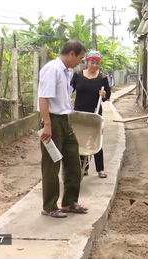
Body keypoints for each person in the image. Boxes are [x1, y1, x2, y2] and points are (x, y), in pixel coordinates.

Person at [38, 39, 89, 218]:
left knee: (73, 161)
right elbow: (43, 98)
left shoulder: (65, 71)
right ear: (72, 53)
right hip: (52, 120)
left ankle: (69, 201)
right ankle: (50, 206)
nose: (79, 63)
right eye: (80, 58)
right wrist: (47, 125)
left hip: (65, 120)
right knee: (51, 164)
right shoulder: (52, 69)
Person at [70, 50, 111, 179]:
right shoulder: (77, 75)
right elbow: (69, 90)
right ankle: (84, 166)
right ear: (87, 62)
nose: (94, 65)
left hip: (94, 113)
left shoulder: (102, 78)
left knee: (96, 139)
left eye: (97, 63)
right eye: (92, 62)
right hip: (79, 112)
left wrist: (104, 95)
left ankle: (100, 169)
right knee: (80, 139)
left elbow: (107, 96)